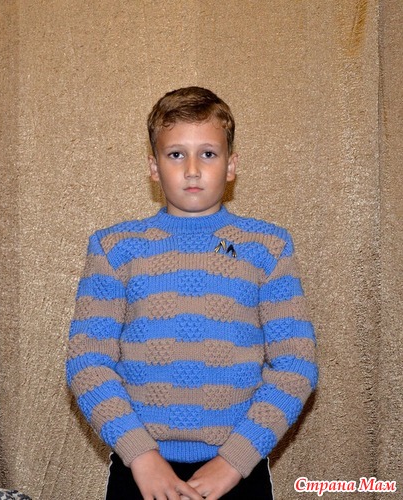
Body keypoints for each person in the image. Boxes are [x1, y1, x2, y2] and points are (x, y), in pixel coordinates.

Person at [66, 86, 318, 499]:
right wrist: (142, 457)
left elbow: (297, 364)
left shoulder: (267, 248)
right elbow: (87, 361)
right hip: (139, 472)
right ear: (153, 167)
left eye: (209, 153)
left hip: (238, 472)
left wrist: (233, 461)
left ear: (231, 165)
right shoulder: (114, 249)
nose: (193, 170)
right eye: (176, 154)